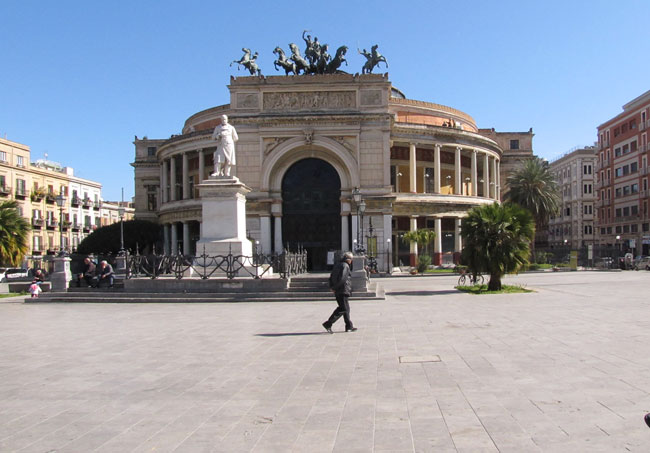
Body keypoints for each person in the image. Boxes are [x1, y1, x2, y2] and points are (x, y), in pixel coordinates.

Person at [322, 251, 357, 333]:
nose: (351, 261)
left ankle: (349, 326)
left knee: (346, 308)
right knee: (343, 308)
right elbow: (343, 279)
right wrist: (335, 287)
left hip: (339, 290)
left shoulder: (337, 265)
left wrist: (332, 286)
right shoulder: (345, 266)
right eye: (351, 259)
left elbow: (331, 276)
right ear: (348, 259)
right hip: (342, 290)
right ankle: (328, 323)